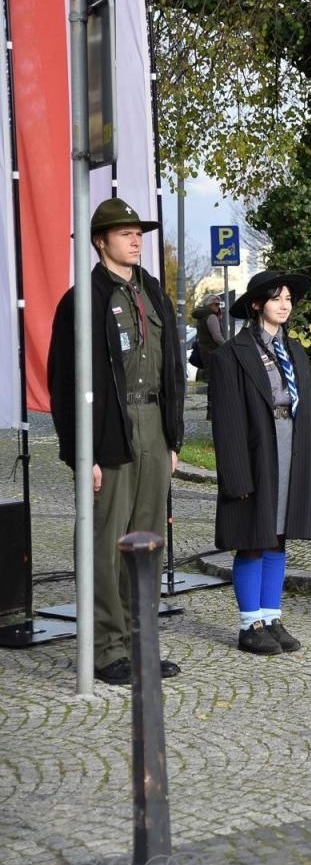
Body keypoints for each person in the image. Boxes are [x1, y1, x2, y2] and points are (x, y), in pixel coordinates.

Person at [47, 199, 185, 684]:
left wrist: (173, 437)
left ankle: (141, 644)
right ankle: (107, 650)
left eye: (138, 231)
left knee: (146, 542)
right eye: (123, 232)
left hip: (152, 427)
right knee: (106, 543)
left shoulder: (152, 294)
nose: (135, 238)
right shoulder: (82, 299)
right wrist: (80, 452)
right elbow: (64, 382)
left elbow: (171, 367)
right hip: (110, 432)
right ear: (100, 241)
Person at [210, 271, 311, 654]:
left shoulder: (294, 352)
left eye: (289, 299)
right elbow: (226, 423)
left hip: (290, 447)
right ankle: (250, 624)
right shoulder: (231, 354)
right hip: (255, 450)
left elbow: (307, 413)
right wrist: (235, 478)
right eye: (277, 298)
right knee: (252, 539)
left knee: (278, 539)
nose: (284, 305)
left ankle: (272, 617)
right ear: (258, 304)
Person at [190, 295, 224, 383]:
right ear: (209, 305)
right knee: (216, 379)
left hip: (204, 351)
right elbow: (217, 336)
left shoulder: (201, 317)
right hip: (213, 351)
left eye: (219, 304)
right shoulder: (211, 317)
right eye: (216, 304)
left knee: (210, 379)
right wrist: (226, 346)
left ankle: (211, 396)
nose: (218, 307)